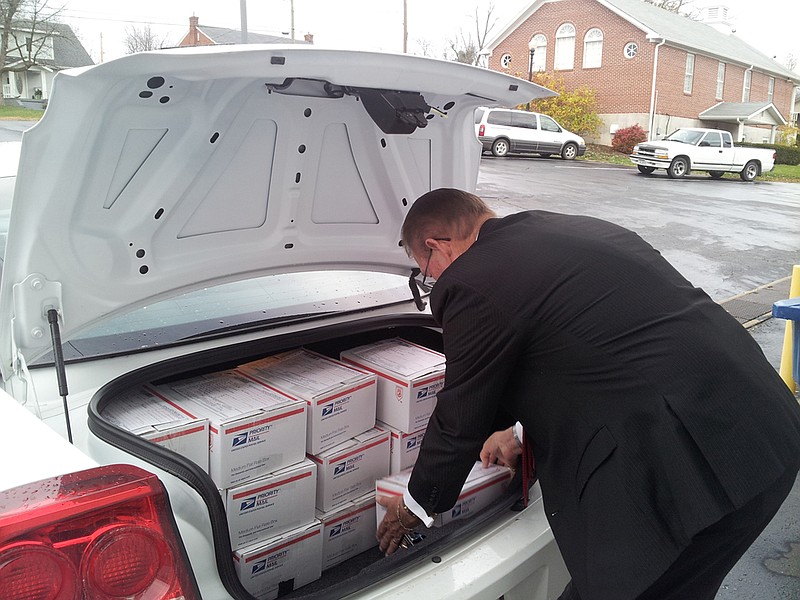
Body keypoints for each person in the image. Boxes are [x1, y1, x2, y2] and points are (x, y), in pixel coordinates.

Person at [376, 188, 800, 600]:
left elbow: (460, 412)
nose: (432, 279)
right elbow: (589, 349)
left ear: (437, 244)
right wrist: (515, 431)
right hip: (765, 439)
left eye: (425, 269)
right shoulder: (582, 229)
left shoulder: (472, 277)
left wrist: (415, 505)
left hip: (691, 476)